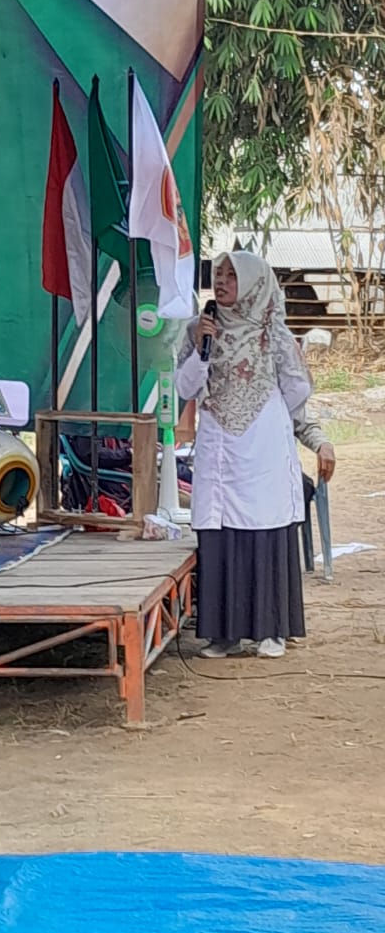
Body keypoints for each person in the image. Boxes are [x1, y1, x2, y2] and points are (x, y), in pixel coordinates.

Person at [176, 251, 313, 659]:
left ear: (253, 284)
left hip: (263, 441)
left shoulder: (274, 332)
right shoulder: (197, 330)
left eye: (231, 277)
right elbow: (184, 387)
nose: (221, 283)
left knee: (265, 526)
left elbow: (297, 387)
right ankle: (224, 634)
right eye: (218, 275)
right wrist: (204, 347)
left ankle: (271, 630)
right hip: (218, 438)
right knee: (220, 530)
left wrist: (265, 411)